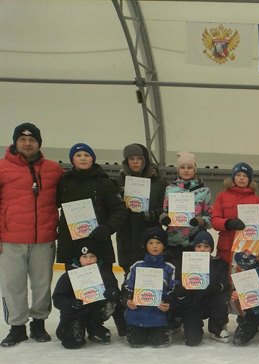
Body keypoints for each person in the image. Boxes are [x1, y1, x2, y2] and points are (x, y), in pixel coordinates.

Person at [0, 123, 63, 347]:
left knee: (42, 285)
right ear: (15, 142)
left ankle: (39, 323)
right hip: (10, 240)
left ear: (39, 143)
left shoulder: (53, 169)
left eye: (32, 140)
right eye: (23, 139)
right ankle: (16, 327)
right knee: (12, 285)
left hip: (43, 239)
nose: (27, 144)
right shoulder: (2, 168)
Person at [55, 142, 127, 289]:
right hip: (71, 244)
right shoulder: (64, 182)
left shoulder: (104, 183)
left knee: (105, 287)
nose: (82, 158)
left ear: (93, 159)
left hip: (98, 242)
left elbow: (119, 210)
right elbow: (53, 205)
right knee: (75, 288)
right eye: (78, 155)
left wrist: (107, 228)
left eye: (86, 155)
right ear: (72, 159)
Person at [115, 142, 167, 336]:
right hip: (127, 237)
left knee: (153, 278)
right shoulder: (119, 182)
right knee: (130, 279)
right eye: (132, 159)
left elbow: (167, 209)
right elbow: (111, 209)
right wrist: (120, 204)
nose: (135, 162)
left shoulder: (159, 183)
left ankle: (155, 321)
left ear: (145, 161)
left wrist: (152, 214)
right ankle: (128, 320)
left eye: (139, 158)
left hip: (151, 238)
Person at [51, 238, 121, 349]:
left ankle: (93, 325)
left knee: (113, 302)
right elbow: (57, 299)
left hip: (95, 313)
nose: (88, 260)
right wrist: (70, 303)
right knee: (73, 343)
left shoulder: (105, 275)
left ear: (97, 258)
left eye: (92, 256)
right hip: (75, 314)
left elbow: (115, 292)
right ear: (78, 258)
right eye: (84, 256)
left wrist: (112, 293)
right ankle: (68, 327)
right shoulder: (68, 276)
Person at [169, 231, 231, 346]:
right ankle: (183, 321)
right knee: (193, 340)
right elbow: (176, 284)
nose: (202, 249)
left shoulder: (219, 263)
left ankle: (216, 327)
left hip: (210, 302)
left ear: (211, 248)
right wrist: (181, 291)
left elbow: (225, 284)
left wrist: (215, 287)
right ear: (194, 248)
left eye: (206, 246)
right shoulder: (185, 263)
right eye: (199, 246)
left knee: (222, 299)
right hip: (192, 305)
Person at [123, 227, 177, 348]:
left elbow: (174, 290)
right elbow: (127, 287)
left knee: (159, 341)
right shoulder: (136, 266)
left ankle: (165, 328)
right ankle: (135, 328)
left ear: (164, 246)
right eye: (150, 243)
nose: (155, 246)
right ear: (145, 246)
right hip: (137, 315)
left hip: (159, 315)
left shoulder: (170, 267)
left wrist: (169, 304)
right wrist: (128, 300)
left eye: (158, 243)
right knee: (136, 341)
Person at [160, 151, 213, 264]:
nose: (186, 170)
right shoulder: (170, 189)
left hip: (195, 241)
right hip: (173, 242)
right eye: (182, 167)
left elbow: (210, 218)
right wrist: (164, 219)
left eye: (189, 167)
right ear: (178, 170)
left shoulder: (204, 191)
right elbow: (164, 211)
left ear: (194, 170)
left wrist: (199, 221)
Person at [211, 161, 259, 265]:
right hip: (226, 247)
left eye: (245, 176)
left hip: (247, 246)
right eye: (238, 175)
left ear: (249, 179)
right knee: (224, 273)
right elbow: (214, 221)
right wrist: (228, 223)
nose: (241, 178)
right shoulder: (222, 196)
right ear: (233, 177)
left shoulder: (256, 199)